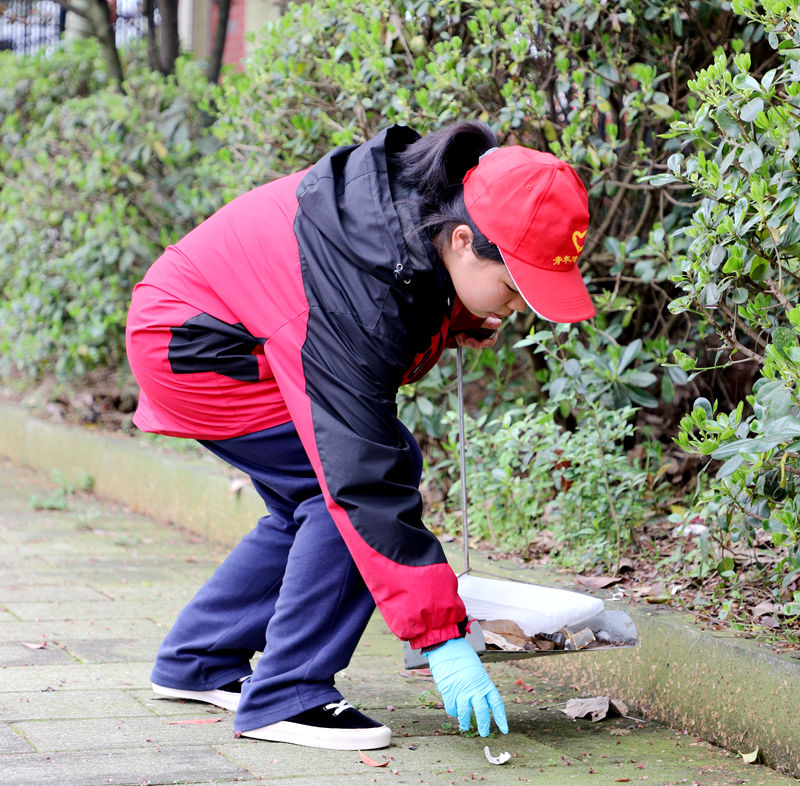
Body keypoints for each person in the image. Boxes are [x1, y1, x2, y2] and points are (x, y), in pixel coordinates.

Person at [124, 120, 594, 752]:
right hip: (198, 347)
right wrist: (442, 639)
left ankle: (201, 659)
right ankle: (287, 695)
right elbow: (361, 476)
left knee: (316, 499)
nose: (515, 307)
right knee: (355, 482)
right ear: (462, 239)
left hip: (198, 324)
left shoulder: (419, 215)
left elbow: (403, 293)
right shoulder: (360, 285)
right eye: (513, 288)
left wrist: (451, 316)